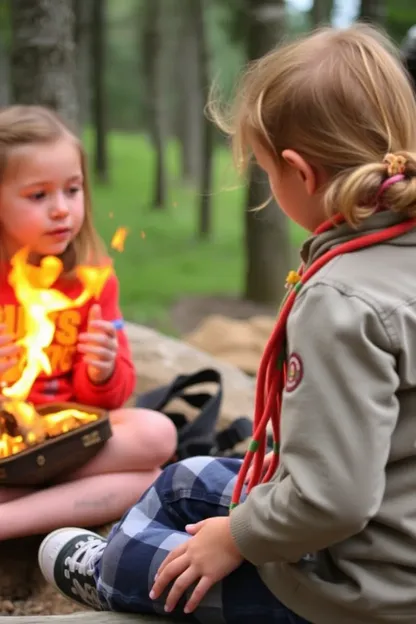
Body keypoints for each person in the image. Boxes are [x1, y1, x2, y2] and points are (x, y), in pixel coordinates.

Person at [38, 23, 416, 624]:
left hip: (358, 589)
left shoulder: (342, 300)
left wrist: (236, 538)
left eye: (265, 169)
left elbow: (334, 499)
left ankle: (114, 573)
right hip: (388, 532)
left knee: (141, 559)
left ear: (301, 172)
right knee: (184, 479)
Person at [0, 105, 177, 541]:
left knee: (156, 438)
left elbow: (109, 401)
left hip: (67, 441)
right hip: (8, 445)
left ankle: (9, 518)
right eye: (38, 196)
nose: (61, 209)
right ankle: (48, 499)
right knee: (143, 479)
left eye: (72, 190)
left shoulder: (92, 279)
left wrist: (101, 372)